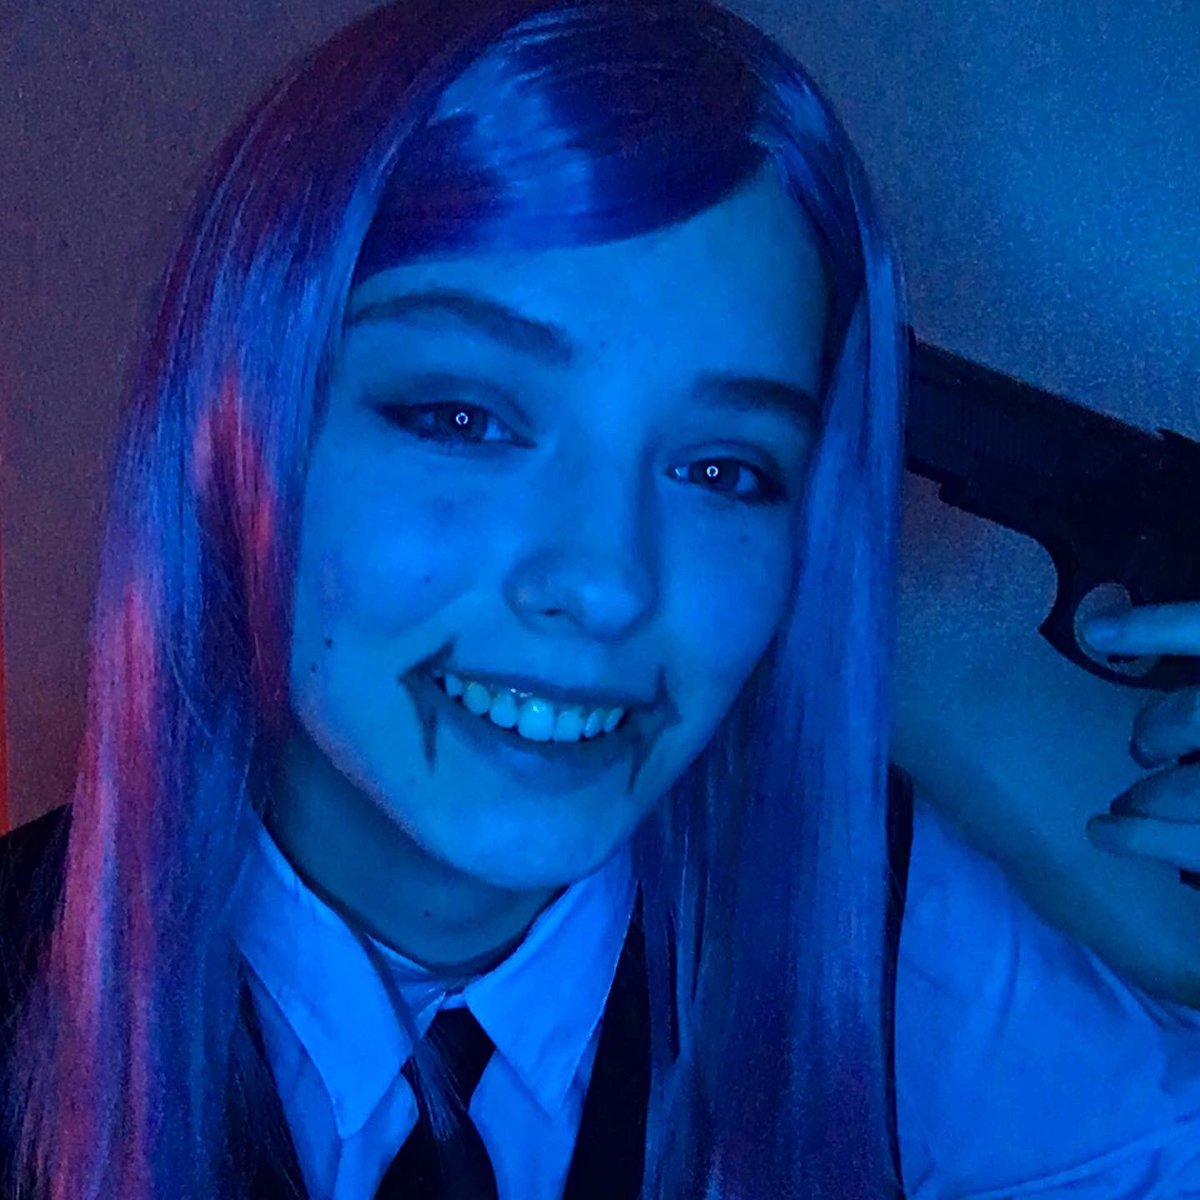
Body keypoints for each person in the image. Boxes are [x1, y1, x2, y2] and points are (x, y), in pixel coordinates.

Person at [3, 2, 1200, 1198]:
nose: (607, 583)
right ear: (237, 435)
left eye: (723, 471)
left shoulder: (859, 920)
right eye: (463, 417)